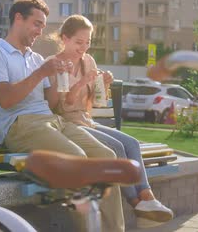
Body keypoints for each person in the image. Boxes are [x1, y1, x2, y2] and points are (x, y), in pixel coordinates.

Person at [0, 0, 125, 232]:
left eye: (43, 26)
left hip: (51, 121)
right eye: (37, 24)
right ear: (18, 18)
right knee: (77, 159)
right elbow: (5, 100)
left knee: (107, 156)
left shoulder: (36, 58)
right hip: (21, 126)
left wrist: (62, 77)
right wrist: (41, 73)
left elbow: (52, 103)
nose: (40, 31)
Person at [47, 15, 174, 229]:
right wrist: (80, 85)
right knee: (115, 147)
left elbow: (95, 102)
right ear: (64, 38)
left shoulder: (88, 61)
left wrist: (103, 86)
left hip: (86, 120)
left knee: (131, 143)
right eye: (79, 42)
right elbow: (59, 108)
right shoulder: (55, 65)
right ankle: (136, 204)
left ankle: (147, 197)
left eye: (87, 42)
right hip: (68, 123)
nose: (84, 47)